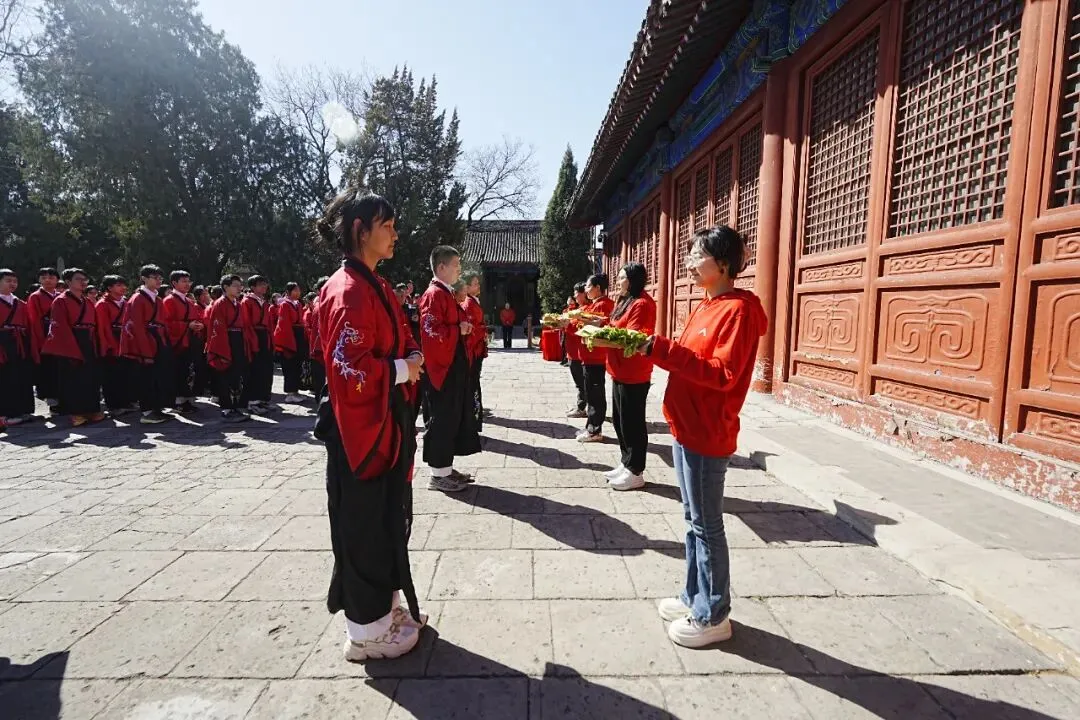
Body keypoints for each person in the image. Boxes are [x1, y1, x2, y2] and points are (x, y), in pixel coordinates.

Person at [313, 187, 426, 661]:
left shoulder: (372, 283)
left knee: (382, 523)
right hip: (361, 429)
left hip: (381, 423)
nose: (396, 234)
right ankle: (366, 632)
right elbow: (348, 370)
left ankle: (384, 611)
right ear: (361, 230)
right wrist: (403, 369)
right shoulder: (350, 290)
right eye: (388, 225)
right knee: (363, 527)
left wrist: (408, 358)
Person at [640, 226, 766, 648]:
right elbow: (685, 358)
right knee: (692, 523)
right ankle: (693, 595)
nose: (691, 262)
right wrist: (658, 350)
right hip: (684, 423)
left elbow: (722, 374)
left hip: (708, 429)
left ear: (724, 264)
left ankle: (714, 615)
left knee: (707, 525)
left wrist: (660, 350)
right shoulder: (706, 305)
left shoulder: (739, 312)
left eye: (699, 255)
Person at [419, 245, 482, 493]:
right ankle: (438, 474)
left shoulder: (446, 293)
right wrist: (460, 329)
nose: (459, 269)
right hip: (441, 368)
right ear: (441, 267)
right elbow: (431, 332)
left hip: (452, 364)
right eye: (456, 265)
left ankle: (446, 467)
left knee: (452, 416)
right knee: (441, 418)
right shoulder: (434, 295)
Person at [604, 263, 657, 491]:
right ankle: (626, 463)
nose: (618, 282)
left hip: (634, 372)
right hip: (618, 369)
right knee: (620, 420)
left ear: (634, 280)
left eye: (622, 278)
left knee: (633, 423)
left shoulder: (643, 304)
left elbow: (631, 336)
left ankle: (636, 470)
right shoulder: (625, 301)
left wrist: (601, 336)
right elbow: (614, 324)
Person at [42, 268, 105, 427]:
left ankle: (92, 409)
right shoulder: (60, 301)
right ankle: (76, 413)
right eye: (79, 279)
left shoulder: (88, 302)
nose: (83, 282)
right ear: (68, 282)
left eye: (85, 279)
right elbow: (60, 327)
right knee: (73, 378)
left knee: (90, 377)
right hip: (71, 340)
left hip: (88, 340)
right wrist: (71, 349)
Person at [121, 265, 174, 425]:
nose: (158, 280)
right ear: (144, 278)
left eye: (160, 278)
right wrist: (145, 352)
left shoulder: (157, 299)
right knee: (146, 378)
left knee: (159, 376)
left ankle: (157, 408)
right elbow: (136, 327)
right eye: (154, 277)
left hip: (157, 338)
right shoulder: (137, 299)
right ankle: (147, 411)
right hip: (145, 340)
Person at [206, 274, 254, 422]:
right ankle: (227, 409)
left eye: (240, 285)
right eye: (235, 285)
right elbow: (217, 329)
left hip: (238, 340)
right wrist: (222, 350)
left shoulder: (237, 304)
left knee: (237, 375)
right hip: (225, 341)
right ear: (225, 287)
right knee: (225, 375)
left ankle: (236, 406)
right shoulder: (220, 304)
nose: (239, 288)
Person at [573, 273, 615, 443]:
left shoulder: (605, 305)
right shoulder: (595, 305)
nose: (586, 290)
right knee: (592, 393)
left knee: (595, 394)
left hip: (595, 356)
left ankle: (595, 430)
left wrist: (583, 322)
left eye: (589, 287)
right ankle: (591, 426)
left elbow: (601, 326)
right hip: (588, 355)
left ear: (598, 288)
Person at [163, 270, 205, 415]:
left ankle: (187, 399)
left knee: (189, 370)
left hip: (190, 339)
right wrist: (187, 325)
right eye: (184, 281)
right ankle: (178, 401)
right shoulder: (169, 301)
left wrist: (198, 325)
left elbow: (195, 318)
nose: (187, 284)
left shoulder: (188, 301)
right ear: (174, 283)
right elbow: (166, 323)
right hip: (178, 341)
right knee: (178, 370)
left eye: (188, 281)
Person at [96, 275, 137, 415]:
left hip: (126, 339)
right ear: (109, 288)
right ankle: (113, 405)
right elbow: (103, 327)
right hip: (112, 340)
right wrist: (110, 344)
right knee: (111, 376)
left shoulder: (126, 303)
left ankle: (126, 401)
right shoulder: (102, 304)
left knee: (126, 374)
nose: (123, 288)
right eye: (119, 285)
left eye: (123, 285)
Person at [0, 269, 37, 427]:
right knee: (5, 378)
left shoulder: (20, 303)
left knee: (22, 376)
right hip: (3, 342)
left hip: (20, 342)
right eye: (8, 280)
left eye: (14, 281)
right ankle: (6, 414)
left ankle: (24, 410)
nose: (12, 284)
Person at [27, 267, 61, 413]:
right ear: (39, 280)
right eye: (44, 277)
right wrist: (41, 341)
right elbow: (34, 321)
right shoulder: (35, 297)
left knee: (62, 370)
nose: (48, 280)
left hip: (62, 337)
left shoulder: (62, 296)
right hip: (45, 336)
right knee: (49, 370)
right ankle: (52, 402)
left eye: (51, 277)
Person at [241, 275, 276, 413]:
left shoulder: (264, 302)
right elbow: (246, 323)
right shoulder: (247, 302)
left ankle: (264, 399)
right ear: (253, 287)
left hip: (265, 336)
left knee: (266, 369)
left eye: (265, 284)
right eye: (261, 284)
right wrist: (252, 340)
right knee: (255, 369)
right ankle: (253, 401)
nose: (264, 287)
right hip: (253, 335)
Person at [274, 281, 308, 403]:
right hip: (289, 336)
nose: (298, 292)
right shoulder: (285, 305)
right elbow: (284, 325)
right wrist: (289, 343)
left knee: (297, 365)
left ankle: (295, 391)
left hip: (298, 335)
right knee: (289, 366)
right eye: (295, 290)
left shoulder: (298, 304)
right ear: (288, 292)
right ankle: (290, 392)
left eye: (299, 290)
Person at [461, 273, 487, 426]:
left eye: (478, 283)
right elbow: (471, 329)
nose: (478, 286)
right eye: (475, 283)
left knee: (474, 382)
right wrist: (483, 330)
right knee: (473, 384)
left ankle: (475, 417)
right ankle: (473, 419)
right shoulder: (468, 304)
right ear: (467, 287)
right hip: (473, 351)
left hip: (477, 349)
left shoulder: (473, 301)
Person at [565, 283, 588, 419]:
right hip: (572, 350)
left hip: (578, 352)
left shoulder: (585, 311)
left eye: (576, 294)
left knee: (581, 382)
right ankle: (582, 405)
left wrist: (567, 325)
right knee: (579, 382)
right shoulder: (578, 309)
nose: (574, 296)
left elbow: (579, 330)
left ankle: (582, 407)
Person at [307, 277, 329, 398]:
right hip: (319, 346)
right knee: (320, 378)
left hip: (322, 344)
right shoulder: (320, 304)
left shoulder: (322, 302)